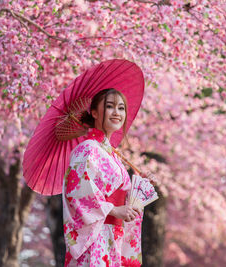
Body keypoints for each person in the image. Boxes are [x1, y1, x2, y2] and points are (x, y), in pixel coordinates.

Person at [62, 88, 156, 267]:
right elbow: (78, 193)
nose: (117, 113)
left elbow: (125, 199)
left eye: (121, 108)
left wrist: (141, 188)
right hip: (95, 236)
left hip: (114, 234)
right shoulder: (88, 149)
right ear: (95, 113)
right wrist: (113, 210)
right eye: (110, 106)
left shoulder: (113, 155)